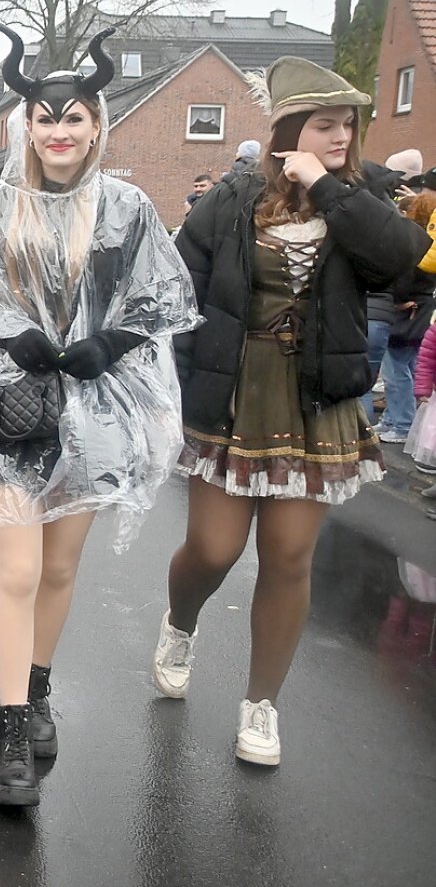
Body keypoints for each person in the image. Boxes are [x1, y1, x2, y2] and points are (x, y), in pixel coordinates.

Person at [0, 24, 198, 806]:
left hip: (94, 409)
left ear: (96, 123)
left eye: (74, 118)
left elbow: (164, 294)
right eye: (45, 118)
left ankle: (36, 691)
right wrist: (11, 331)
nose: (59, 131)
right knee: (19, 571)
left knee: (58, 569)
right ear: (26, 122)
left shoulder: (128, 206)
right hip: (14, 405)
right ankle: (7, 737)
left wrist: (114, 339)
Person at [157, 55, 429, 767]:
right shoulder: (234, 196)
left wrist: (330, 189)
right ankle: (181, 622)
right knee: (214, 551)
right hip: (233, 390)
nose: (342, 136)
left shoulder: (364, 196)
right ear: (290, 128)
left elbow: (404, 260)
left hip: (317, 400)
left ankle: (261, 706)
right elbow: (178, 291)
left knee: (287, 557)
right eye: (326, 125)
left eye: (349, 124)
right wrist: (177, 389)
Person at [369, 192, 436, 442]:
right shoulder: (432, 247)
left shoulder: (415, 248)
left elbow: (401, 283)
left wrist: (395, 300)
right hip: (421, 313)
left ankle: (401, 423)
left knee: (396, 371)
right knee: (408, 366)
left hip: (406, 315)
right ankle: (394, 419)